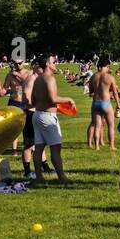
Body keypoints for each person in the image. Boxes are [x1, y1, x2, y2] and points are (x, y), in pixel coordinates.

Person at [30, 54, 71, 184]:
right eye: (54, 62)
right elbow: (53, 99)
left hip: (37, 115)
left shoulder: (37, 79)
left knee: (38, 148)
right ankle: (62, 177)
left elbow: (32, 101)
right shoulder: (50, 79)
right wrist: (68, 99)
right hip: (47, 117)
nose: (56, 64)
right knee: (55, 148)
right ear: (47, 64)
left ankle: (39, 177)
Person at [88, 57, 120, 150]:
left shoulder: (93, 76)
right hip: (106, 103)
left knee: (97, 126)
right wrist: (118, 104)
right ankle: (112, 146)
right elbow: (115, 92)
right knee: (111, 125)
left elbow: (91, 92)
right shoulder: (110, 77)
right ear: (106, 66)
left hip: (95, 103)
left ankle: (97, 146)